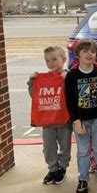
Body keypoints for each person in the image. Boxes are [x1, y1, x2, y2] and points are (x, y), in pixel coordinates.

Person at [65, 39, 97, 193]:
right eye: (85, 51)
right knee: (83, 151)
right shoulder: (72, 76)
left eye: (92, 51)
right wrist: (76, 121)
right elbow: (70, 101)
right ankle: (83, 179)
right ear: (77, 54)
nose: (89, 54)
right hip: (81, 120)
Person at [27, 46, 71, 185]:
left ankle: (62, 168)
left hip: (64, 120)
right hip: (47, 121)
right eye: (47, 61)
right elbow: (35, 96)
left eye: (54, 59)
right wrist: (32, 82)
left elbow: (74, 95)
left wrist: (67, 80)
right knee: (48, 147)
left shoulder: (67, 76)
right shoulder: (43, 79)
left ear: (63, 60)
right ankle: (52, 169)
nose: (50, 63)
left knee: (65, 146)